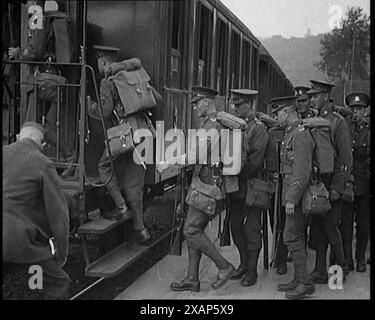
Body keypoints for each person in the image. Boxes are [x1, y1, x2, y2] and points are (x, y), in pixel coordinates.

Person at [88, 45, 161, 243]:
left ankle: (121, 207)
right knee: (134, 184)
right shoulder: (137, 75)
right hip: (145, 133)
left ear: (103, 61)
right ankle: (141, 230)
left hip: (125, 135)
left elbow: (104, 112)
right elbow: (157, 98)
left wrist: (89, 107)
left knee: (103, 166)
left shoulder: (108, 81)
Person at [170, 86, 235, 292]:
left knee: (190, 229)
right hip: (206, 182)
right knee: (192, 229)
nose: (195, 108)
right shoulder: (213, 124)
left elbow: (197, 155)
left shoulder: (211, 127)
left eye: (197, 103)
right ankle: (192, 278)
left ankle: (224, 266)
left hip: (207, 184)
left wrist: (169, 162)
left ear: (206, 102)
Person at [3, 122, 70, 299]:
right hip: (18, 241)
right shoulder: (42, 163)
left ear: (18, 137)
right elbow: (58, 215)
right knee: (57, 284)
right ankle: (37, 290)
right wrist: (61, 251)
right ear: (43, 145)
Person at [8, 1, 74, 164]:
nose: (25, 5)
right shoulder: (43, 15)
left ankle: (26, 163)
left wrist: (18, 53)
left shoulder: (37, 13)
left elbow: (35, 51)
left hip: (41, 78)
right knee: (42, 126)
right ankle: (69, 155)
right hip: (49, 75)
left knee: (30, 125)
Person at [271, 96, 315, 300]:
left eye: (278, 113)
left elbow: (302, 172)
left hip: (295, 197)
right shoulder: (291, 134)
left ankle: (305, 283)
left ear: (287, 112)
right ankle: (298, 279)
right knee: (294, 234)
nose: (276, 117)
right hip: (289, 194)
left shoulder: (301, 136)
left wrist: (292, 199)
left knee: (291, 236)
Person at [307, 80, 351, 283]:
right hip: (317, 182)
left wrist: (337, 187)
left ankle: (340, 270)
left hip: (331, 181)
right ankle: (320, 271)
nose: (312, 99)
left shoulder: (338, 123)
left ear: (325, 96)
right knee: (317, 228)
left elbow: (345, 159)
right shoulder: (312, 120)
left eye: (315, 95)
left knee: (332, 227)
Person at [227, 89, 269, 286]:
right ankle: (244, 263)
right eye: (234, 105)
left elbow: (255, 162)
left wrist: (234, 173)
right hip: (237, 187)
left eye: (239, 106)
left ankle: (252, 271)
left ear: (250, 105)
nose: (235, 109)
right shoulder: (237, 127)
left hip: (252, 186)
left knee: (252, 229)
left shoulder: (257, 129)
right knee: (235, 225)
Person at [341, 92, 370, 272]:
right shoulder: (345, 128)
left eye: (359, 108)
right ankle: (347, 259)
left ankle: (360, 257)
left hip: (364, 183)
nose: (356, 112)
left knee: (363, 223)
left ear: (365, 110)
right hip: (347, 182)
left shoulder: (368, 130)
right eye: (353, 109)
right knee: (345, 223)